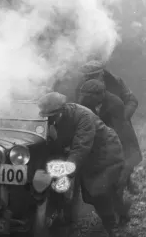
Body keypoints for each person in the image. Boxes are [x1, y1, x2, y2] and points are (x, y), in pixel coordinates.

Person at [38, 92, 126, 237]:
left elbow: (80, 148)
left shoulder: (83, 116)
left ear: (62, 110)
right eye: (48, 117)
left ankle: (113, 228)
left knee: (98, 191)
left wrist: (65, 171)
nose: (49, 120)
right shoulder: (57, 119)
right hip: (86, 154)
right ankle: (67, 221)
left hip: (105, 152)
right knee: (87, 193)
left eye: (52, 116)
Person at [77, 60, 142, 194]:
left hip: (118, 123)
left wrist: (121, 116)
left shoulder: (115, 82)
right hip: (97, 125)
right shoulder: (83, 86)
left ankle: (128, 182)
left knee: (125, 151)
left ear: (101, 73)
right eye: (87, 76)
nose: (90, 79)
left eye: (94, 75)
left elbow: (132, 100)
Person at [78, 79, 135, 223]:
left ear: (100, 94)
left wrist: (125, 157)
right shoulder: (85, 104)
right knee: (98, 190)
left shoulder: (115, 103)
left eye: (89, 95)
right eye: (85, 95)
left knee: (116, 187)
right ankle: (111, 216)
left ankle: (122, 214)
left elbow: (121, 131)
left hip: (117, 146)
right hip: (97, 150)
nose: (86, 98)